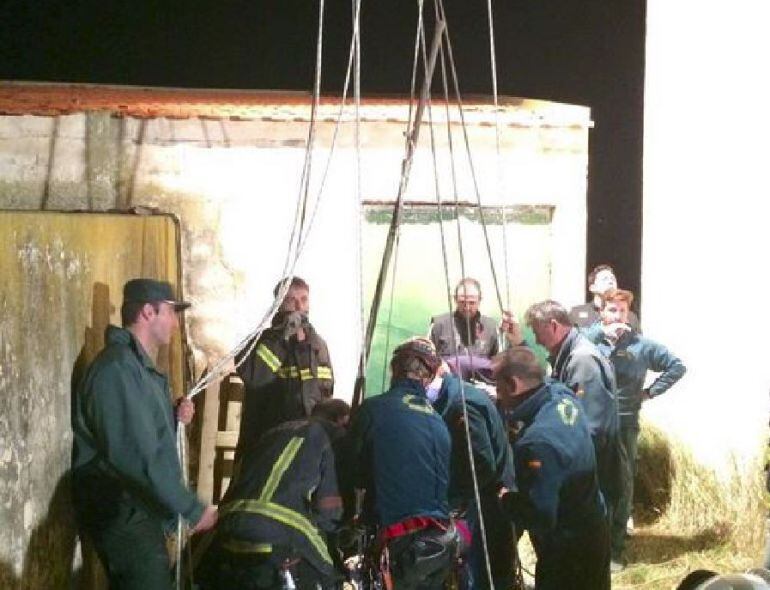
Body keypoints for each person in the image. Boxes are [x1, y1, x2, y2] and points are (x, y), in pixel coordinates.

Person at [71, 278, 218, 589]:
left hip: (138, 508)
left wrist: (172, 415)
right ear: (148, 313)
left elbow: (139, 429)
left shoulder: (139, 369)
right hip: (123, 510)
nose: (175, 323)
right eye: (171, 312)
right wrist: (192, 509)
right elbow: (137, 454)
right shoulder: (116, 370)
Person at [583, 288, 686, 568]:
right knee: (591, 482)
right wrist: (600, 334)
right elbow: (569, 351)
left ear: (629, 314)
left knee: (621, 484)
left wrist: (650, 392)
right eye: (612, 310)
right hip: (592, 424)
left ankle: (615, 549)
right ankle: (592, 544)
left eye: (623, 311)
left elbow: (676, 366)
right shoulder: (589, 342)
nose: (618, 316)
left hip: (625, 424)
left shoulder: (641, 346)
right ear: (602, 313)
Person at [493, 346, 610, 590]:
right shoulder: (562, 394)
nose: (497, 395)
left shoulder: (538, 443)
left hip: (567, 550)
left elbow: (541, 517)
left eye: (498, 387)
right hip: (594, 523)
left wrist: (507, 500)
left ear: (513, 385)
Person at [347, 337, 459, 589]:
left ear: (394, 369)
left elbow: (353, 471)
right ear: (429, 377)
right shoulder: (438, 420)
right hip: (440, 538)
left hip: (399, 539)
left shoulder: (374, 409)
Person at [199, 417, 344, 590]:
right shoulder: (322, 436)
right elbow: (328, 510)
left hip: (228, 518)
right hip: (277, 523)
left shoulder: (273, 431)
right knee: (327, 570)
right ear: (340, 421)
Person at [524, 300, 622, 531]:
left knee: (588, 538)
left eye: (537, 332)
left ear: (553, 325)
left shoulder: (582, 359)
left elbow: (588, 426)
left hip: (592, 472)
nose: (537, 340)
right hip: (586, 472)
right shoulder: (567, 355)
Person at [431, 369, 517, 589]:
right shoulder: (455, 397)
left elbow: (481, 465)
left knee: (487, 571)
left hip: (489, 499)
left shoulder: (461, 405)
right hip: (487, 496)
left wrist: (453, 497)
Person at [235, 276, 334, 461]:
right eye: (291, 300)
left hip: (306, 446)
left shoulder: (318, 346)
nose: (298, 306)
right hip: (267, 445)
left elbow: (326, 393)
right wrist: (282, 338)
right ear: (278, 305)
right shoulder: (260, 341)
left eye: (304, 299)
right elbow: (254, 377)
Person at [429, 277, 519, 382]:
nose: (467, 307)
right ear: (455, 299)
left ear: (479, 300)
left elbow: (500, 365)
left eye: (472, 303)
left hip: (482, 388)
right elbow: (428, 360)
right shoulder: (438, 325)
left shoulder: (491, 327)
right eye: (462, 302)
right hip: (447, 386)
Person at [569, 264, 641, 332]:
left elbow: (638, 339)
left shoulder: (630, 316)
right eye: (605, 279)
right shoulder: (576, 313)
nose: (610, 282)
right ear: (592, 287)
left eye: (613, 279)